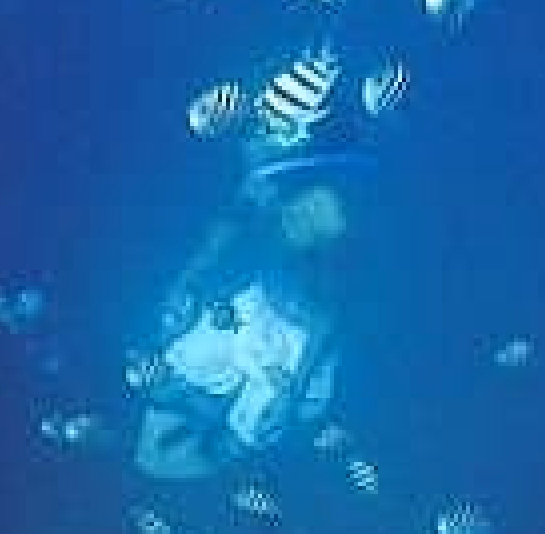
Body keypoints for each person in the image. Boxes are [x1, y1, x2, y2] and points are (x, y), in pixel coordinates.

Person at [132, 150, 371, 483]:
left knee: (254, 427)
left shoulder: (328, 215)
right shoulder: (266, 181)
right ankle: (200, 421)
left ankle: (218, 474)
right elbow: (229, 224)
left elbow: (325, 321)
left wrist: (293, 393)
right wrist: (187, 281)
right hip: (251, 305)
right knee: (180, 368)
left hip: (299, 343)